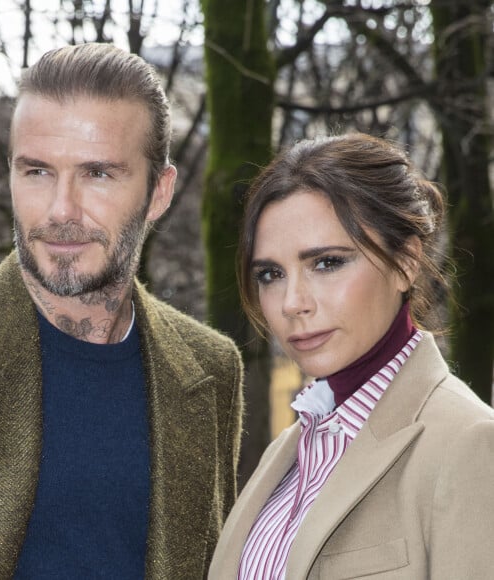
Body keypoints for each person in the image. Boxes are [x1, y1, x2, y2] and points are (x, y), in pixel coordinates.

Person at [0, 43, 243, 579]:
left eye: (98, 174)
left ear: (158, 193)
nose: (61, 210)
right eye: (38, 172)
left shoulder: (211, 369)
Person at [208, 133, 494, 579]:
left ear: (405, 263)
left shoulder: (471, 445)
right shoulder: (284, 456)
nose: (292, 302)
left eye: (327, 263)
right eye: (270, 274)